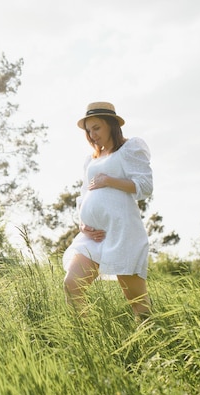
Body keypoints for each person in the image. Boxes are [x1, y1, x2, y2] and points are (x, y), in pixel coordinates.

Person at [62, 102, 152, 321]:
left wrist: (109, 180)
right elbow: (84, 195)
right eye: (89, 130)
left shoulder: (129, 149)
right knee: (72, 285)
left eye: (97, 128)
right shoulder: (91, 160)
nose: (92, 135)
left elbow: (145, 186)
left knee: (137, 302)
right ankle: (86, 337)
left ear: (111, 125)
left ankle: (153, 344)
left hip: (122, 232)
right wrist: (83, 225)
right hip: (93, 236)